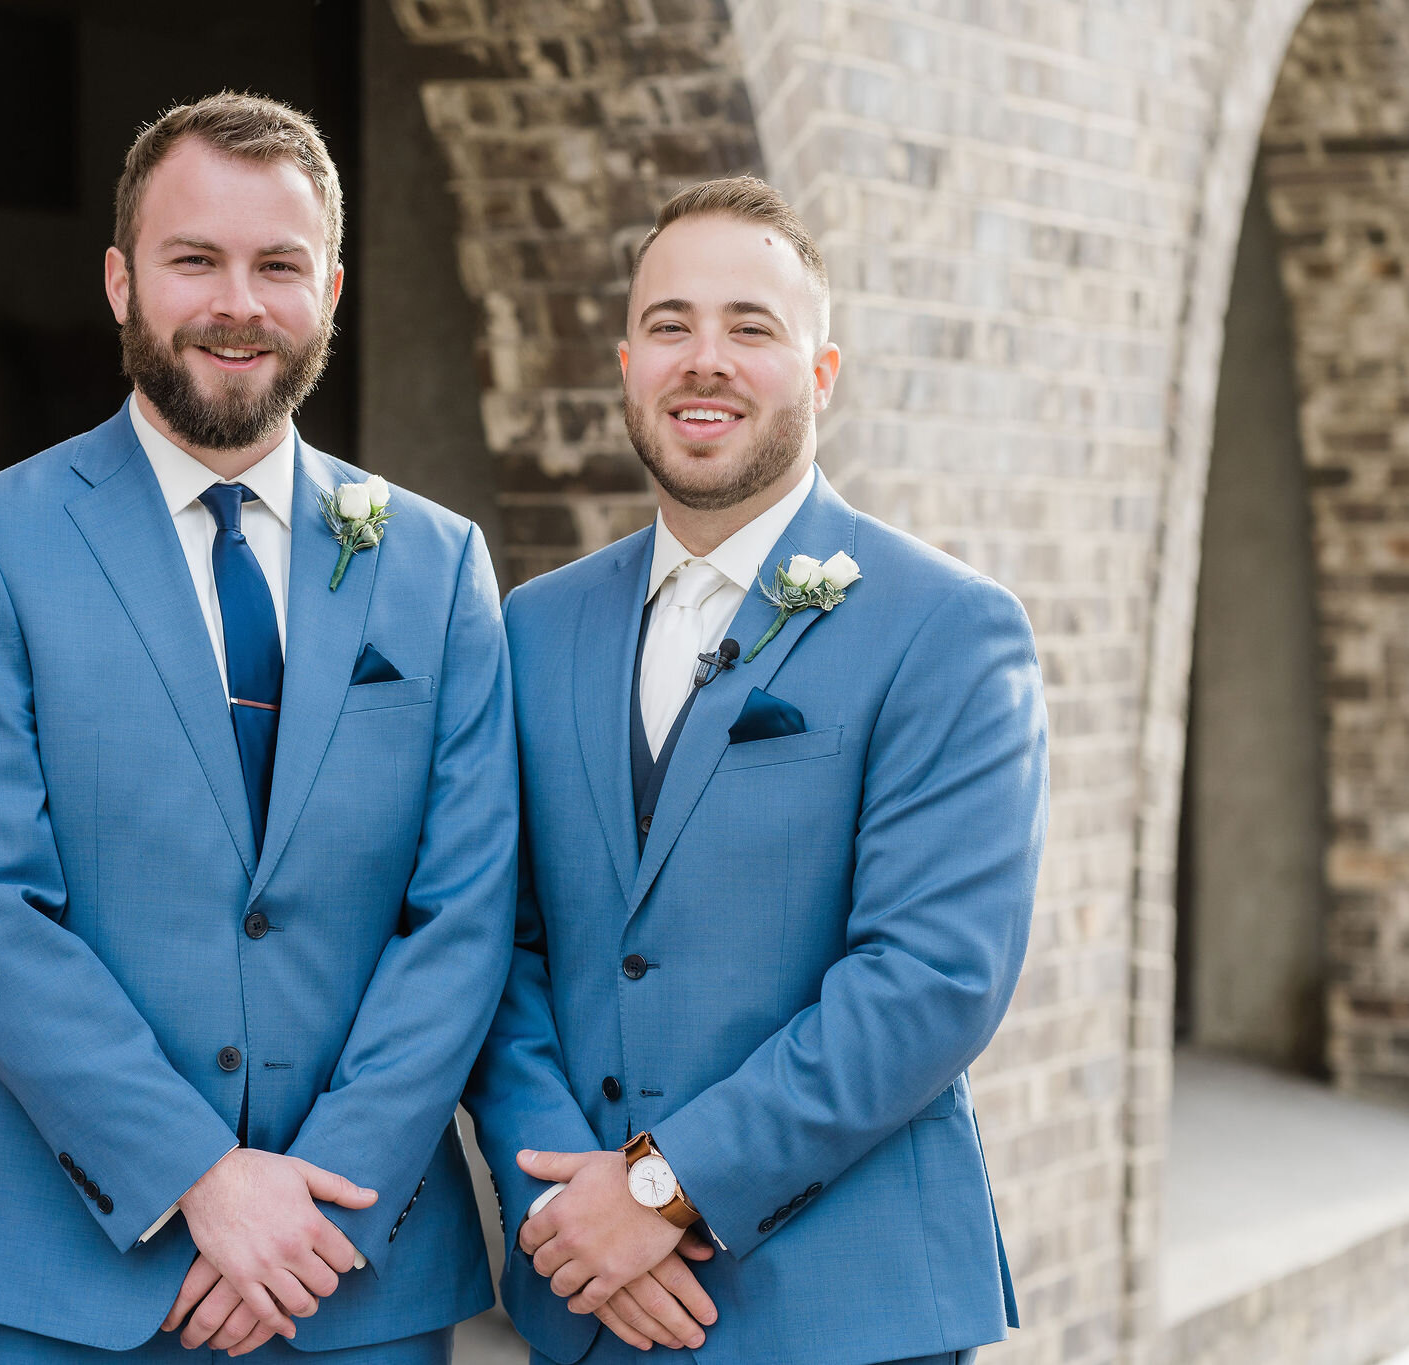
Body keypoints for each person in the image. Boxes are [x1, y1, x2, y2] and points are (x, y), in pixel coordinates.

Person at [0, 92, 514, 1363]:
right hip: (47, 1267)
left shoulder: (436, 565)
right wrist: (196, 1180)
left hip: (351, 1270)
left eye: (278, 265)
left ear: (329, 288)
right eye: (194, 260)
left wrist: (314, 1198)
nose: (239, 303)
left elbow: (466, 911)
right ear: (120, 282)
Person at [465, 175, 1047, 1365]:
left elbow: (931, 976)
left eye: (750, 327)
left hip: (842, 1308)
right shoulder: (532, 625)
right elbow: (489, 939)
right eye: (670, 326)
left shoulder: (947, 627)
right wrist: (565, 1206)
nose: (703, 360)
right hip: (585, 1301)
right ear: (626, 364)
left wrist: (661, 1196)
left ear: (819, 373)